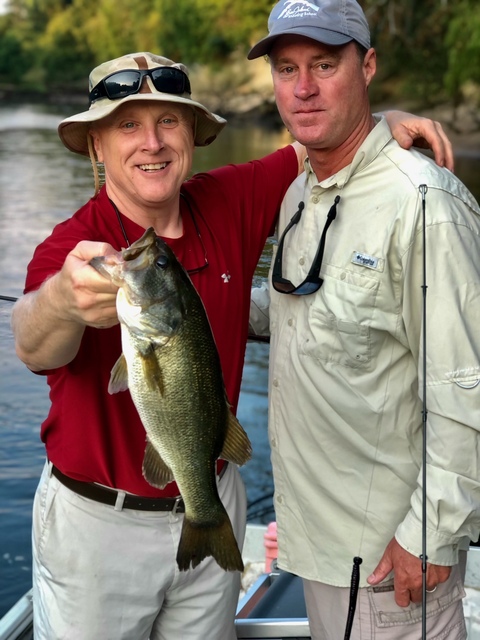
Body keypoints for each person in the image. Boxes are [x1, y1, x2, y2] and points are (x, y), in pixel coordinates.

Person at [10, 49, 455, 640]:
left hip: (213, 496)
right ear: (96, 145)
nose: (152, 142)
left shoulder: (229, 199)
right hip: (98, 532)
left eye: (168, 121)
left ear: (192, 134)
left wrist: (383, 119)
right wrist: (63, 301)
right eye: (127, 125)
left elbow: (315, 145)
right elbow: (34, 344)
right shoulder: (68, 248)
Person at [247, 1, 480, 638]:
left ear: (368, 65)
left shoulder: (424, 203)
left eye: (324, 64)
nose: (303, 88)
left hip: (389, 562)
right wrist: (185, 306)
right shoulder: (303, 188)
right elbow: (304, 311)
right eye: (287, 68)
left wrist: (426, 538)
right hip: (319, 546)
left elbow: (466, 384)